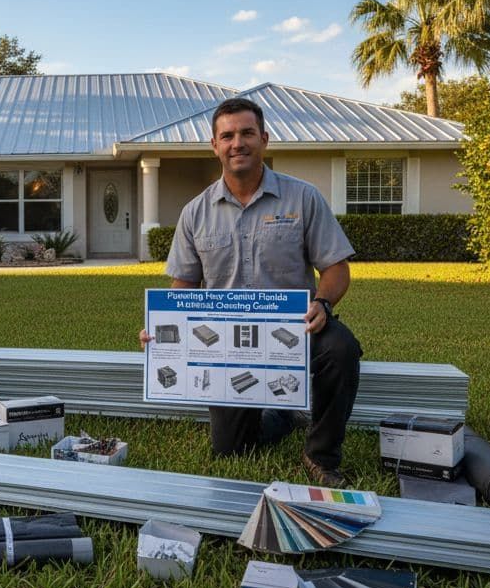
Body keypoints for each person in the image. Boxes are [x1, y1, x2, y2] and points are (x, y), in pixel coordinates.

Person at [140, 96, 362, 487]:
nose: (237, 143)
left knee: (341, 348)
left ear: (264, 139)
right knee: (231, 449)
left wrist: (323, 303)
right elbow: (184, 285)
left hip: (295, 329)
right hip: (225, 342)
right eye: (227, 136)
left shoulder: (303, 198)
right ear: (215, 145)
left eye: (246, 133)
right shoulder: (195, 212)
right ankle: (283, 416)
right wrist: (163, 330)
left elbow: (335, 268)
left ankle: (321, 455)